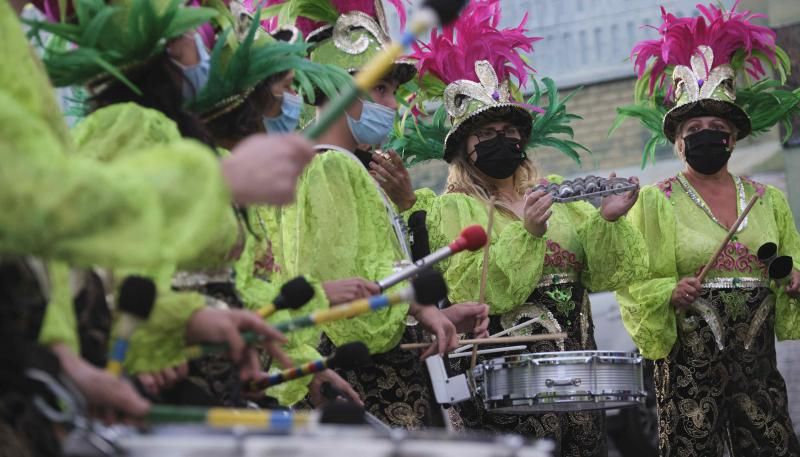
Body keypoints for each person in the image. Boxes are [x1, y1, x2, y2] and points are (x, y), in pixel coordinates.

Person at [372, 0, 646, 452]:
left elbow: (607, 274)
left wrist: (609, 220)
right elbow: (476, 294)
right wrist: (528, 234)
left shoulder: (556, 192)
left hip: (579, 382)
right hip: (503, 396)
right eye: (487, 135)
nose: (503, 141)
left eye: (510, 131)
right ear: (463, 149)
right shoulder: (449, 211)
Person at [263, 0, 489, 429]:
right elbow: (352, 288)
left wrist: (429, 311)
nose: (391, 103)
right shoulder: (331, 165)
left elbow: (374, 275)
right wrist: (419, 310)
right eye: (381, 90)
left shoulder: (341, 165)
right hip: (363, 375)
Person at [613, 3, 800, 456]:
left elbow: (792, 268)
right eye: (694, 127)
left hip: (758, 373)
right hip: (689, 374)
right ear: (678, 140)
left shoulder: (766, 199)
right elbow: (632, 279)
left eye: (717, 127)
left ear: (733, 138)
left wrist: (794, 282)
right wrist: (667, 292)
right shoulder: (657, 201)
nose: (706, 135)